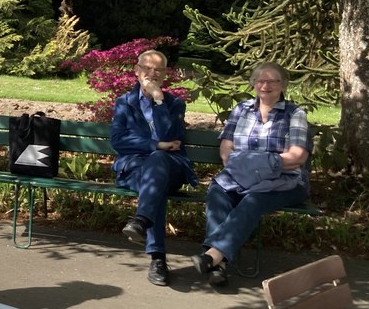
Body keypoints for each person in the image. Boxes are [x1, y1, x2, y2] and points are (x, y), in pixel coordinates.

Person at [192, 61, 311, 287]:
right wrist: (255, 165)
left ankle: (212, 256)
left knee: (253, 200)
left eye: (272, 81)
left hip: (286, 181)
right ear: (254, 84)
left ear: (283, 84)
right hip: (241, 175)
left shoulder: (295, 114)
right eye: (260, 81)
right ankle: (219, 266)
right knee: (218, 192)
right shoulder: (242, 109)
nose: (265, 85)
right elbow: (226, 150)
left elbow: (297, 157)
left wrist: (253, 164)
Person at [109, 49, 196, 286]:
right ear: (137, 71)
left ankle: (142, 223)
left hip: (171, 168)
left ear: (165, 74)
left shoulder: (174, 103)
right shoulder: (124, 103)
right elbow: (118, 141)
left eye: (158, 69)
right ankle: (157, 258)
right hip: (134, 169)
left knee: (158, 162)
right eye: (147, 68)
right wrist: (156, 144)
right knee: (154, 183)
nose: (152, 73)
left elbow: (172, 134)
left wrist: (158, 100)